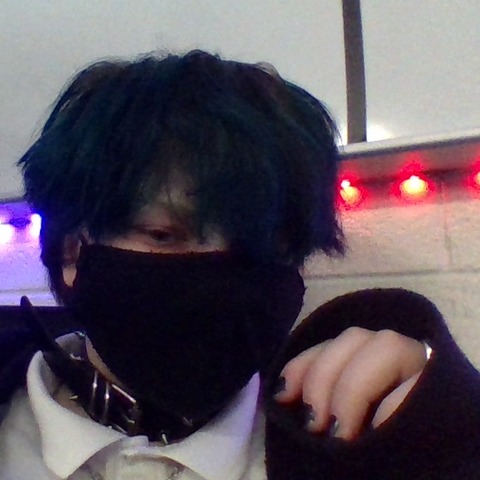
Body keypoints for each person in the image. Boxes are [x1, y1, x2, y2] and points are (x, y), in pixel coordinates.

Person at [0, 50, 479, 479]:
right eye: (165, 235)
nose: (220, 277)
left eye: (264, 246)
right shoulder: (11, 428)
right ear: (73, 252)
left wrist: (448, 424)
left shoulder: (344, 444)